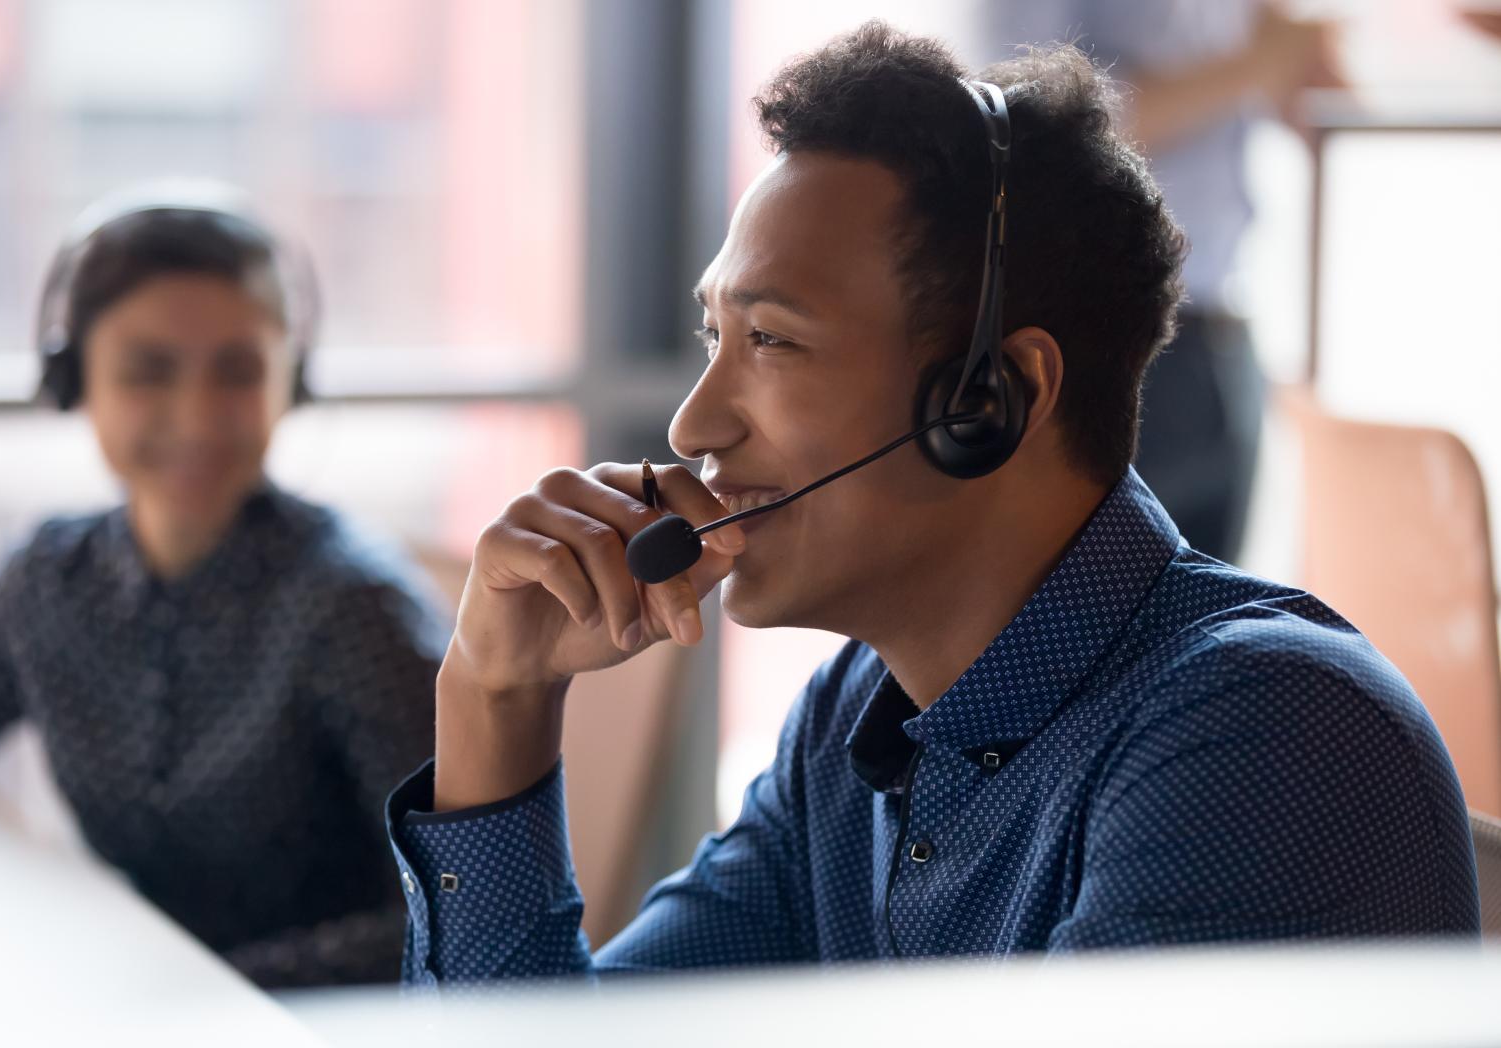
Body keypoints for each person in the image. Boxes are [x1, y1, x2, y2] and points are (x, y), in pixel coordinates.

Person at [385, 25, 1478, 988]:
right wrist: (495, 700)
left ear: (992, 399)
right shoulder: (861, 723)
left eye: (771, 341)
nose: (694, 427)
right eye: (718, 337)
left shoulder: (1259, 737)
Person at [0, 189, 447, 987]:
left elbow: (452, 911)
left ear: (291, 381)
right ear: (75, 380)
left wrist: (197, 989)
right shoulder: (47, 581)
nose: (198, 417)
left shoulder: (352, 609)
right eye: (149, 370)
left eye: (238, 370)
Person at [984, 0, 1345, 563]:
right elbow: (1029, 117)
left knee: (1216, 614)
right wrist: (1253, 64)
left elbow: (1311, 99)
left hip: (1224, 328)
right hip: (1102, 335)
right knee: (1089, 606)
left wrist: (1302, 65)